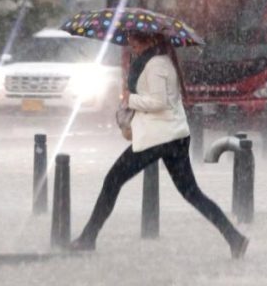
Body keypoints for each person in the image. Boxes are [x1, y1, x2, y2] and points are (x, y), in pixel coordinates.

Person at [70, 31, 249, 259]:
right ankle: (234, 238)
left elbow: (159, 102)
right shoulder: (159, 61)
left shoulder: (155, 65)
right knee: (192, 193)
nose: (130, 42)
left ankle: (88, 238)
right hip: (173, 136)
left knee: (112, 181)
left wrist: (129, 99)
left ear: (150, 40)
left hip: (158, 138)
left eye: (134, 38)